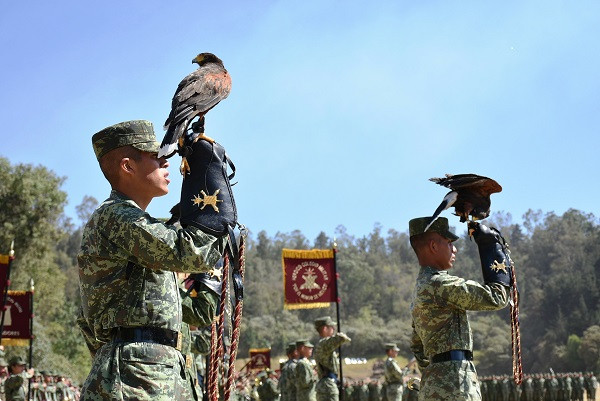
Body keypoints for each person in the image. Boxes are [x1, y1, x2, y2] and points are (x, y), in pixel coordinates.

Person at [77, 120, 227, 400]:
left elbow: (191, 312)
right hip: (136, 375)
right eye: (156, 157)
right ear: (127, 166)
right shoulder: (116, 216)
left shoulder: (142, 229)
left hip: (154, 370)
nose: (166, 163)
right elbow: (190, 252)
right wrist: (214, 211)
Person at [408, 217, 512, 401]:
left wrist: (435, 378)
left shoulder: (420, 289)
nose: (454, 248)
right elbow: (497, 298)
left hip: (434, 383)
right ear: (433, 246)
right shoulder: (440, 283)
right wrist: (491, 247)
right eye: (449, 243)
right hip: (456, 382)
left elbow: (418, 347)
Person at [313, 316, 351, 401]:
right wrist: (341, 335)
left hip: (327, 383)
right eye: (331, 327)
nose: (334, 329)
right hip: (327, 385)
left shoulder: (323, 344)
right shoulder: (324, 343)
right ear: (324, 329)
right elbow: (341, 339)